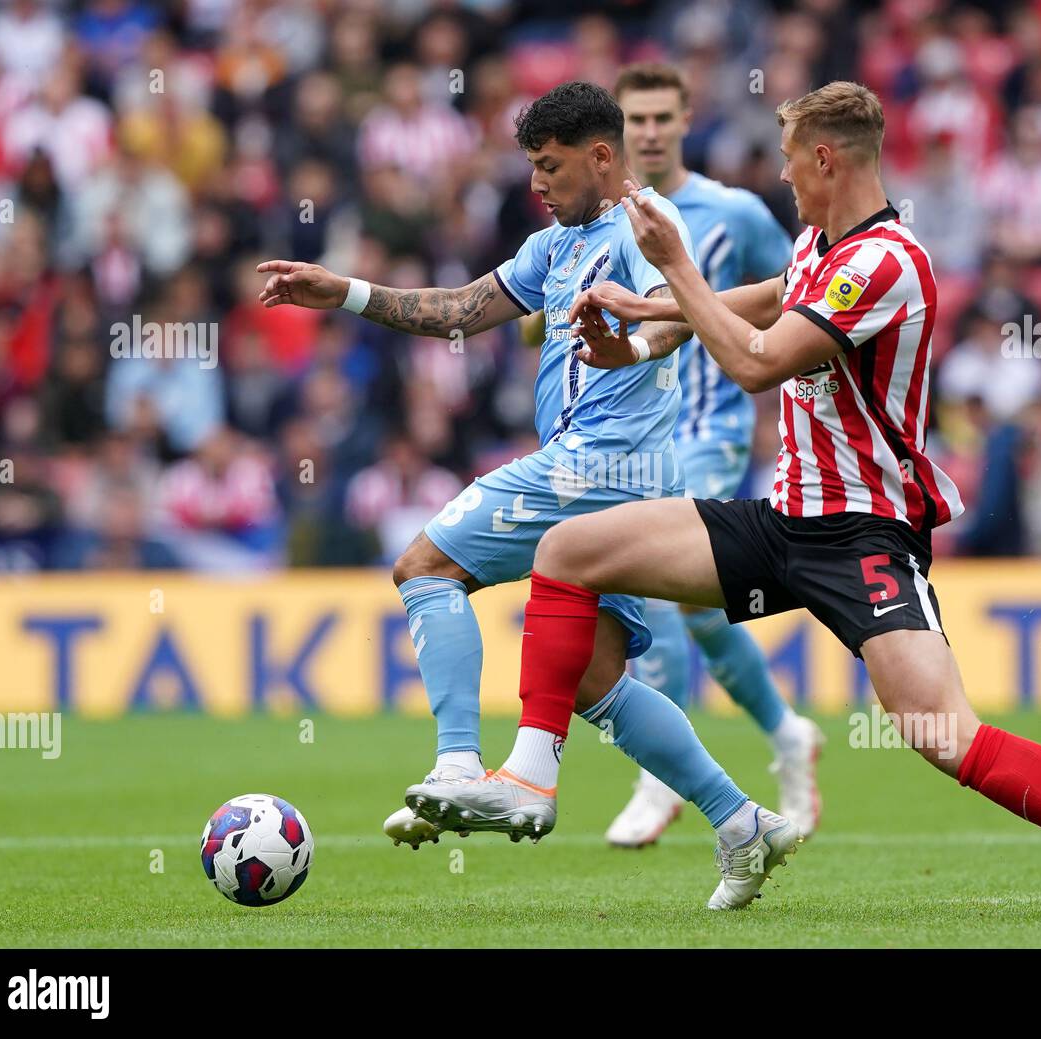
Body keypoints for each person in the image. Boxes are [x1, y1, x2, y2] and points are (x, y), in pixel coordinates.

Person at [429, 82, 1041, 921]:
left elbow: (761, 359)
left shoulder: (886, 262)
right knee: (568, 552)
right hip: (784, 520)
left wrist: (674, 271)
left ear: (827, 158)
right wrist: (649, 313)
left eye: (791, 160)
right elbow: (763, 302)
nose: (785, 175)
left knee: (942, 735)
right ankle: (536, 776)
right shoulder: (820, 245)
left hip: (864, 538)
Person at [258, 81, 800, 910]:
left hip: (598, 466)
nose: (538, 185)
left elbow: (673, 317)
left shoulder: (645, 222)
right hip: (625, 475)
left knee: (424, 566)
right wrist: (348, 293)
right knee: (594, 680)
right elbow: (457, 310)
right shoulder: (555, 244)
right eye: (532, 169)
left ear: (602, 157)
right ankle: (741, 822)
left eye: (550, 168)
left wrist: (637, 344)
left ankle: (458, 763)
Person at [605, 62, 822, 848]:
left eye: (664, 116)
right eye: (637, 120)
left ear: (687, 118)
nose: (651, 131)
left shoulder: (733, 213)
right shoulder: (598, 220)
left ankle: (661, 773)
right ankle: (787, 731)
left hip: (712, 429)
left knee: (650, 577)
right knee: (698, 608)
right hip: (631, 439)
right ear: (617, 130)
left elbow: (796, 289)